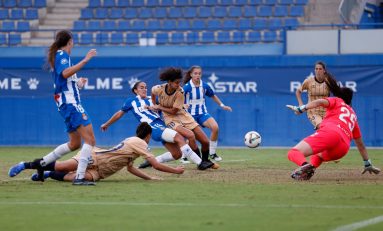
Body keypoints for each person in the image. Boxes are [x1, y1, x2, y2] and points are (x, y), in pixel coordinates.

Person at [8, 30, 97, 185]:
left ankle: (32, 165)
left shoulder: (61, 56)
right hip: (71, 104)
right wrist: (85, 60)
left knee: (75, 144)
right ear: (70, 41)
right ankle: (79, 177)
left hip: (67, 104)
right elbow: (64, 74)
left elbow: (65, 81)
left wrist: (79, 84)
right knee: (90, 140)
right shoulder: (62, 55)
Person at [9, 122, 185, 183]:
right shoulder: (139, 142)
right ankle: (25, 165)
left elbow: (130, 168)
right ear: (148, 136)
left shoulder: (134, 145)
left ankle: (47, 174)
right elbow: (154, 164)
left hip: (101, 172)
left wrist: (149, 177)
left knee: (73, 178)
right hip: (96, 158)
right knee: (64, 166)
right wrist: (175, 171)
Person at [100, 81, 216, 170]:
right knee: (180, 138)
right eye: (141, 87)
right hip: (153, 126)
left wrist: (182, 105)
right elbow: (119, 114)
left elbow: (168, 107)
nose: (144, 89)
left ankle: (152, 161)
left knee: (177, 154)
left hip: (163, 125)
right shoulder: (131, 101)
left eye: (145, 87)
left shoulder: (153, 99)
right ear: (135, 90)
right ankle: (201, 163)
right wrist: (107, 124)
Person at [286, 74, 380, 180]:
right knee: (318, 155)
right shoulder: (353, 115)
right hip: (343, 148)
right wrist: (367, 163)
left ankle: (304, 166)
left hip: (331, 133)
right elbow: (361, 145)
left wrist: (302, 108)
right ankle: (309, 170)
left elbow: (320, 101)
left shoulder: (337, 101)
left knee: (293, 152)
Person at [149, 67, 218, 168]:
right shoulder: (159, 89)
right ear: (169, 82)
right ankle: (200, 163)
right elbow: (152, 92)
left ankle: (205, 160)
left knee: (205, 141)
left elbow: (174, 110)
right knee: (190, 135)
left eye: (179, 82)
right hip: (170, 119)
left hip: (183, 115)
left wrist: (159, 107)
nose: (178, 85)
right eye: (176, 82)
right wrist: (154, 104)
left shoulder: (180, 92)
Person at [183, 65, 232, 162]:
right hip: (190, 116)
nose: (198, 75)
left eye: (199, 73)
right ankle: (184, 155)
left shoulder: (204, 86)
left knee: (215, 127)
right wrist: (183, 105)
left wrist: (222, 105)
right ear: (191, 75)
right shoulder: (186, 87)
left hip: (202, 114)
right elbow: (178, 99)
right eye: (195, 73)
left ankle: (212, 153)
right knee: (191, 136)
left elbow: (213, 95)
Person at [295, 61, 330, 130]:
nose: (318, 71)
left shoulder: (329, 81)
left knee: (327, 131)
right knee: (321, 127)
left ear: (324, 70)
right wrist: (301, 104)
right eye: (316, 69)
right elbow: (298, 91)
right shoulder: (309, 81)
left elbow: (337, 94)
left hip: (326, 111)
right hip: (312, 111)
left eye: (320, 69)